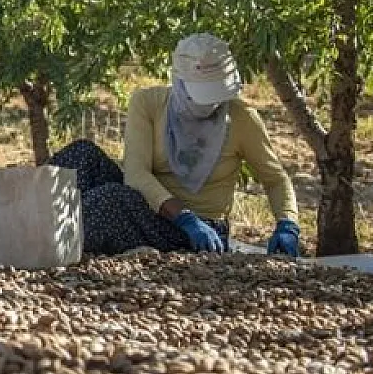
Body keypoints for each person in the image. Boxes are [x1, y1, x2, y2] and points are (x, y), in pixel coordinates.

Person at [49, 32, 301, 258]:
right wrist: (183, 216)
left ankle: (50, 239)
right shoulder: (148, 104)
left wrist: (287, 224)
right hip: (158, 210)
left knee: (109, 202)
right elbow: (136, 175)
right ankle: (33, 224)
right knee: (81, 155)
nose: (210, 104)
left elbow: (275, 179)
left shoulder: (242, 117)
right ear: (178, 82)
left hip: (201, 232)